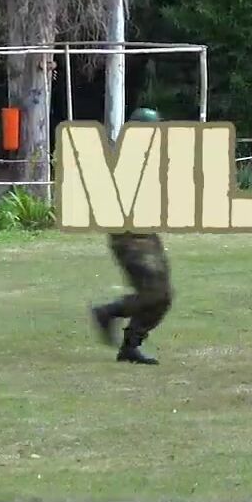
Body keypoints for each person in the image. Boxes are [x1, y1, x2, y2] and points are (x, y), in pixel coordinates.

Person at [90, 107, 174, 366]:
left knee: (163, 296)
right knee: (155, 293)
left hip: (146, 234)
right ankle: (108, 312)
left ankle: (131, 345)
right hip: (128, 237)